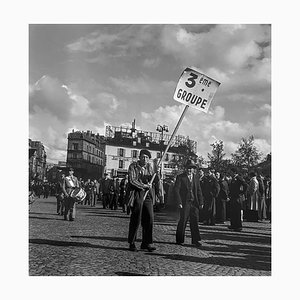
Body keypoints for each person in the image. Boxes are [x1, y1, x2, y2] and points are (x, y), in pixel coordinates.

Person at [127, 149, 161, 252]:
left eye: (147, 157)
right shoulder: (133, 166)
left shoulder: (150, 167)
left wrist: (157, 172)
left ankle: (146, 243)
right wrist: (144, 185)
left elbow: (155, 181)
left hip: (148, 196)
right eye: (143, 157)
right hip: (137, 193)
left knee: (149, 218)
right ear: (139, 157)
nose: (144, 159)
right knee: (136, 218)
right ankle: (132, 242)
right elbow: (132, 180)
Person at [175, 160, 204, 247]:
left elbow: (199, 191)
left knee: (195, 221)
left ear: (194, 169)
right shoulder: (180, 177)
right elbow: (176, 190)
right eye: (188, 168)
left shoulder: (196, 177)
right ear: (185, 168)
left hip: (194, 203)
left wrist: (201, 202)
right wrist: (179, 202)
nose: (190, 170)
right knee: (183, 220)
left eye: (191, 168)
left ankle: (195, 240)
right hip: (185, 203)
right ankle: (180, 239)